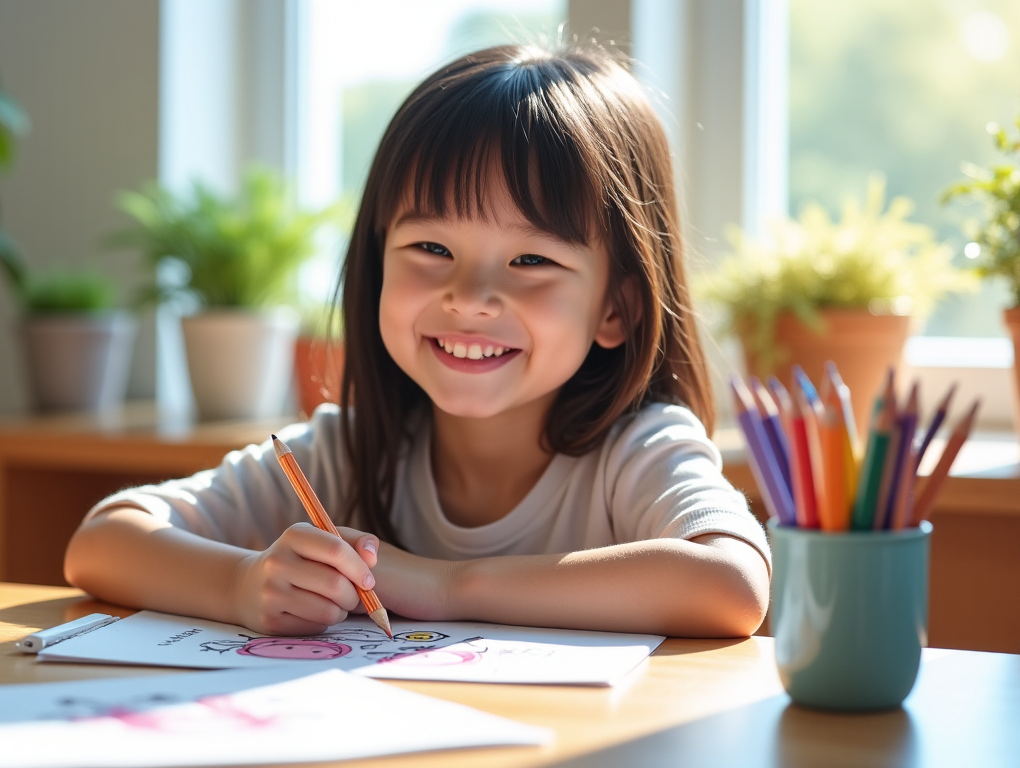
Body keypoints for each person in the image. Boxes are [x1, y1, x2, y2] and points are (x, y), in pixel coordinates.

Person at [65, 42, 771, 639]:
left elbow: (732, 583)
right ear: (377, 266)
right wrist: (242, 583)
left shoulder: (635, 452)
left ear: (616, 308)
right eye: (431, 246)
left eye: (532, 261)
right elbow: (103, 540)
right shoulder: (348, 451)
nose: (467, 296)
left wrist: (445, 586)